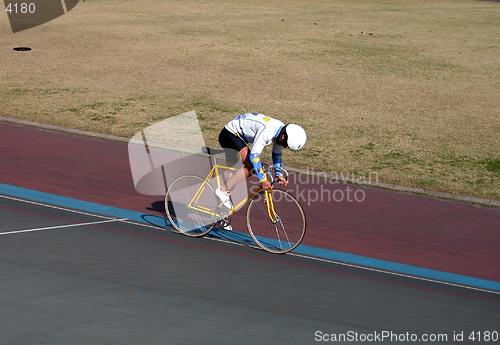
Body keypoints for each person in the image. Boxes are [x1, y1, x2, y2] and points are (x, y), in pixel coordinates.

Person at [215, 112, 307, 210]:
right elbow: (254, 156)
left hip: (237, 136)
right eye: (285, 145)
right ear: (283, 136)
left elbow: (277, 154)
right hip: (230, 135)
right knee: (251, 167)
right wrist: (262, 179)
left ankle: (221, 215)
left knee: (234, 176)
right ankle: (222, 190)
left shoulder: (281, 131)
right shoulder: (267, 131)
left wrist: (279, 174)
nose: (284, 147)